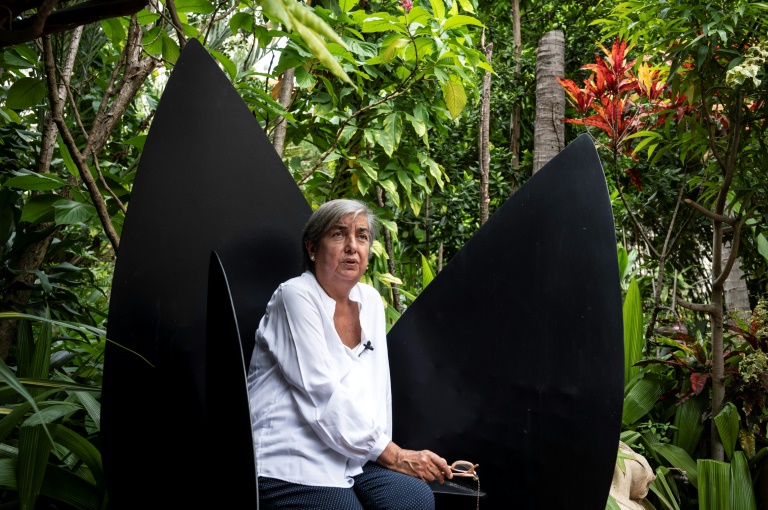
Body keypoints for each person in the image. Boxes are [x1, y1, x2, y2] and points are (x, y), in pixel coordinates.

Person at [247, 199, 453, 510]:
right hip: (291, 458)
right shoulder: (295, 296)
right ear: (312, 248)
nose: (352, 246)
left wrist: (378, 452)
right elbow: (322, 394)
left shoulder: (370, 301)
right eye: (338, 234)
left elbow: (377, 390)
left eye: (362, 236)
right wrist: (395, 455)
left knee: (413, 499)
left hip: (352, 456)